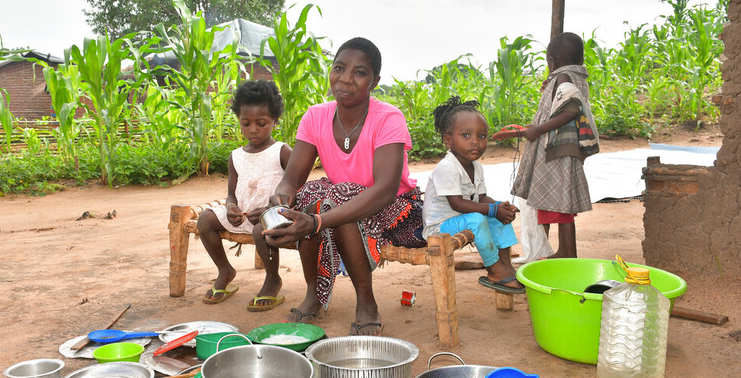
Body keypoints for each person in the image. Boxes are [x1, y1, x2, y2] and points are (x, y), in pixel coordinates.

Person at [261, 37, 424, 336]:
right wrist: (282, 197)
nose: (346, 79)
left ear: (374, 81)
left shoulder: (389, 118)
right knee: (311, 193)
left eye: (360, 73)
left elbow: (386, 188)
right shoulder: (316, 116)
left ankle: (366, 301)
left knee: (334, 199)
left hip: (393, 206)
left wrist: (317, 222)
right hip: (340, 200)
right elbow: (293, 178)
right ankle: (314, 293)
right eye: (339, 68)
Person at [500, 32, 599, 259]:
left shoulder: (563, 78)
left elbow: (571, 110)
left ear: (551, 61)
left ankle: (566, 253)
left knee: (559, 203)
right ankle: (558, 250)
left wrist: (537, 130)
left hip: (556, 151)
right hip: (563, 149)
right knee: (556, 199)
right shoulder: (575, 78)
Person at [197, 80, 291, 311]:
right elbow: (231, 193)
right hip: (242, 218)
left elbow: (294, 189)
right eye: (245, 123)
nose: (253, 130)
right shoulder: (235, 156)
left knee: (262, 229)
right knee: (205, 219)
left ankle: (272, 279)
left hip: (272, 220)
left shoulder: (282, 151)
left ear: (275, 121)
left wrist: (275, 209)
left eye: (261, 123)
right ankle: (225, 270)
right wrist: (230, 209)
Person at [423, 97, 524, 294]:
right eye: (466, 135)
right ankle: (493, 269)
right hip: (440, 227)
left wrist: (499, 206)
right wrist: (492, 209)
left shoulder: (476, 167)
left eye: (482, 136)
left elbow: (481, 198)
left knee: (498, 216)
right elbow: (457, 204)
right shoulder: (447, 167)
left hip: (462, 219)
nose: (475, 142)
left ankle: (505, 265)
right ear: (448, 140)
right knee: (479, 218)